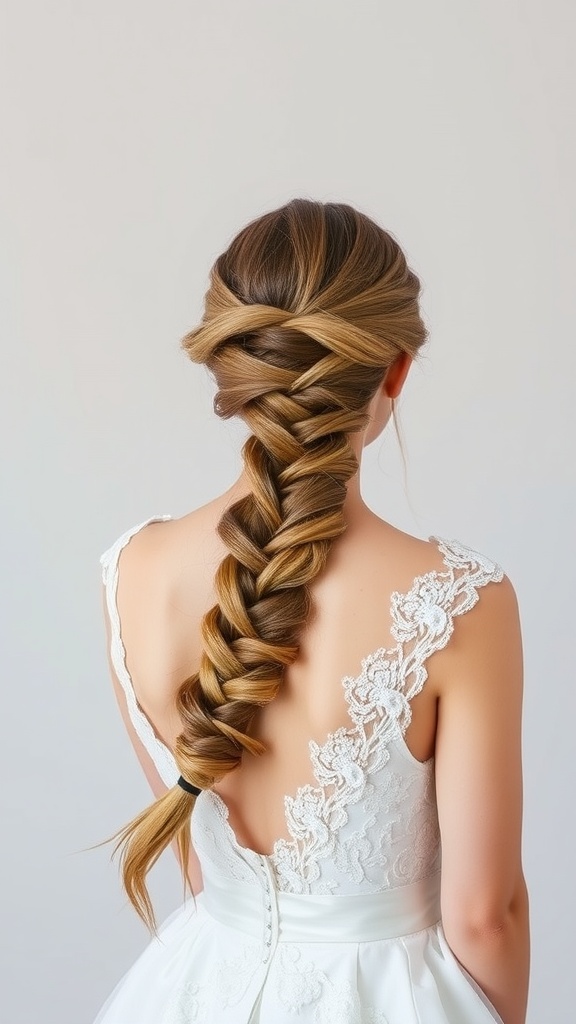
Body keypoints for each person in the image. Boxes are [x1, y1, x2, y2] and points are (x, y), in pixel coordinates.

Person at [94, 198, 530, 1024]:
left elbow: (200, 858)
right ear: (395, 369)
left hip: (197, 990)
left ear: (232, 372)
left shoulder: (132, 570)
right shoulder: (462, 603)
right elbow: (486, 915)